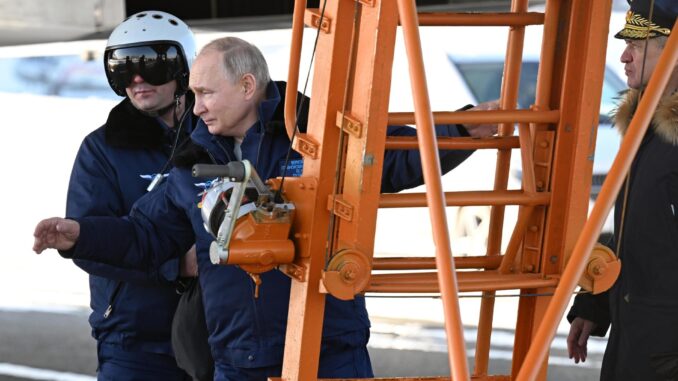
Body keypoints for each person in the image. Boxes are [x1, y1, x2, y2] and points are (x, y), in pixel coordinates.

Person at [33, 36, 498, 380]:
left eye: (206, 94)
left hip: (329, 354)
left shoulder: (313, 135)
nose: (195, 109)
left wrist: (460, 133)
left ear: (248, 86)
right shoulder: (190, 162)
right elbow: (145, 237)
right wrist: (79, 235)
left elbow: (390, 162)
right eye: (193, 95)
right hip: (240, 362)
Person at [63, 10, 199, 381]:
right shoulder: (101, 149)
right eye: (124, 69)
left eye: (151, 65)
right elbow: (94, 241)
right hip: (136, 344)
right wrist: (177, 266)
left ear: (183, 69)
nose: (137, 79)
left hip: (221, 338)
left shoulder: (217, 136)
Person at [566, 1, 678, 380]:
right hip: (639, 343)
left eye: (639, 45)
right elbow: (642, 231)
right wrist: (596, 301)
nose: (624, 56)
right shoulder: (647, 127)